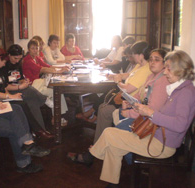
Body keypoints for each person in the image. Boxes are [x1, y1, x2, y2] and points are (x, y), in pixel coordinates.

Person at [69, 50, 195, 188]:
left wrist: (151, 113)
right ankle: (111, 182)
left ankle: (91, 156)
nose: (165, 72)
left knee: (110, 134)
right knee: (113, 144)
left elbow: (180, 125)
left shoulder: (186, 93)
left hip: (162, 146)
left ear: (180, 69)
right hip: (154, 136)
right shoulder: (179, 89)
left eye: (168, 69)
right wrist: (143, 110)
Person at [76, 41, 151, 124]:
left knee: (104, 108)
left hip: (129, 101)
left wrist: (118, 81)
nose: (132, 56)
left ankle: (102, 132)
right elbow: (129, 75)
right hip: (125, 97)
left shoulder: (145, 70)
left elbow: (127, 90)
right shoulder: (139, 65)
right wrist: (115, 75)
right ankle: (98, 128)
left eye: (134, 54)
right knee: (105, 98)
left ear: (141, 55)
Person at [0, 44, 54, 138]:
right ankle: (44, 100)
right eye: (15, 58)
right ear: (9, 55)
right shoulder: (4, 65)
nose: (17, 61)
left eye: (19, 58)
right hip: (10, 92)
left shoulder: (18, 63)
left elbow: (20, 78)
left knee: (33, 102)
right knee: (28, 89)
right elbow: (4, 86)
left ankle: (40, 130)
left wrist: (24, 81)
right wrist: (20, 87)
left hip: (19, 88)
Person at [23, 39, 69, 125]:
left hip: (39, 84)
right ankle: (55, 118)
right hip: (33, 87)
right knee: (56, 92)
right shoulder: (28, 60)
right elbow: (42, 69)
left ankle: (57, 116)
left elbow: (47, 66)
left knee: (58, 91)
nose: (35, 50)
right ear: (28, 49)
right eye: (33, 48)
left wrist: (60, 68)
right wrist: (59, 71)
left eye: (36, 48)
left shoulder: (36, 58)